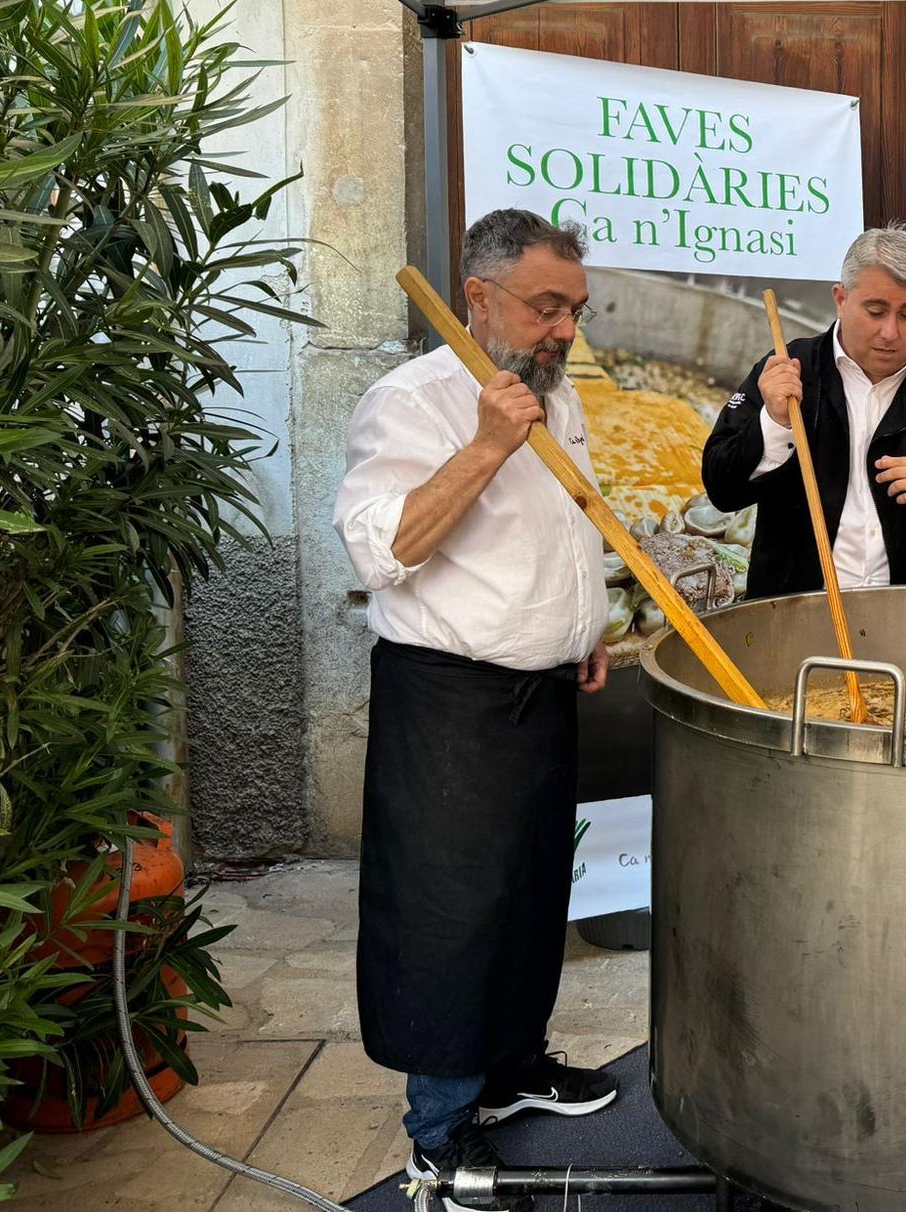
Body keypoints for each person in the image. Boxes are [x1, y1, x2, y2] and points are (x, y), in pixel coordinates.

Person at [334, 208, 621, 1210]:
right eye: (547, 308)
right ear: (479, 299)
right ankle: (438, 1135)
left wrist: (581, 623)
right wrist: (488, 444)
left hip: (542, 692)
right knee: (450, 915)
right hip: (449, 700)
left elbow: (559, 527)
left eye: (575, 311)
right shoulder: (409, 402)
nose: (563, 331)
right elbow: (380, 547)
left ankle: (511, 1071)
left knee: (531, 896)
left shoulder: (555, 391)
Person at [702, 227, 906, 596]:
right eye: (875, 310)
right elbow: (721, 487)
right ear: (840, 298)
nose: (890, 332)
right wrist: (774, 423)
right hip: (793, 611)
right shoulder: (790, 368)